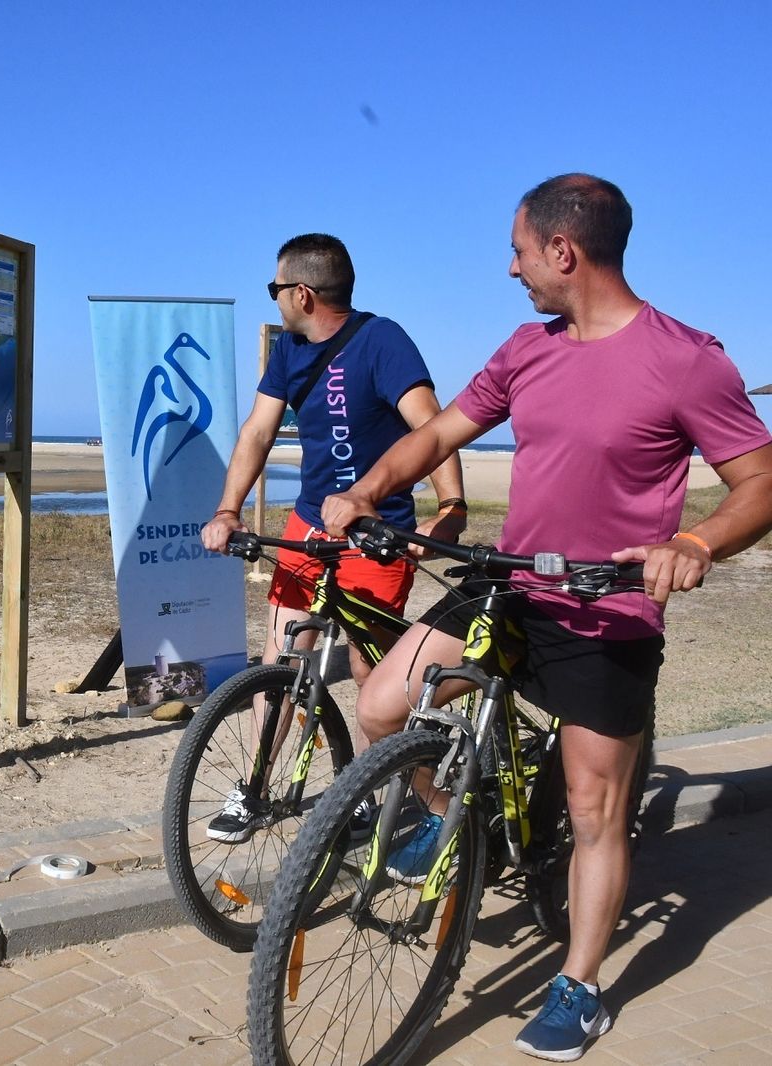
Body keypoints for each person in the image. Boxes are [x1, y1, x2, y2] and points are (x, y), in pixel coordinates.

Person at [322, 174, 772, 1061]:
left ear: (563, 252)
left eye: (520, 250)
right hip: (511, 584)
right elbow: (442, 432)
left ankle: (581, 982)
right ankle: (459, 824)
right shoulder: (529, 347)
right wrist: (369, 489)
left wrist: (700, 543)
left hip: (607, 613)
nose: (512, 267)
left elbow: (760, 481)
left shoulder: (687, 358)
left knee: (593, 806)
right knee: (381, 704)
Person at [199, 233, 466, 844]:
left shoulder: (383, 340)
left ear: (301, 293)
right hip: (308, 529)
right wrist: (228, 508)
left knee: (376, 682)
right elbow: (257, 433)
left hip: (377, 536)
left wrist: (450, 508)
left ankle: (383, 794)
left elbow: (435, 427)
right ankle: (256, 787)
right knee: (282, 658)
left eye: (274, 290)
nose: (273, 301)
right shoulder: (290, 351)